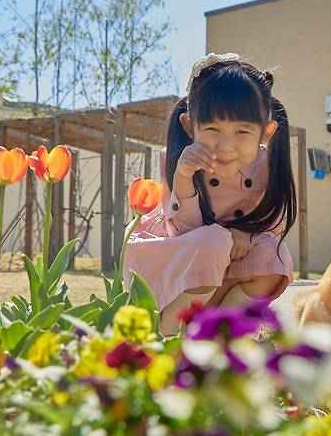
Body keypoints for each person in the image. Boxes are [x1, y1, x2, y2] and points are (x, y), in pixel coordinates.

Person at [123, 52, 296, 334]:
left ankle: (221, 337)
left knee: (273, 256)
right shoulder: (179, 163)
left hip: (231, 264)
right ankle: (170, 340)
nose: (226, 145)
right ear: (190, 127)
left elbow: (271, 226)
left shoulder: (266, 165)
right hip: (183, 260)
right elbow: (182, 231)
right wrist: (183, 177)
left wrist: (246, 231)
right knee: (213, 241)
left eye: (242, 131)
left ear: (266, 132)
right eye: (213, 129)